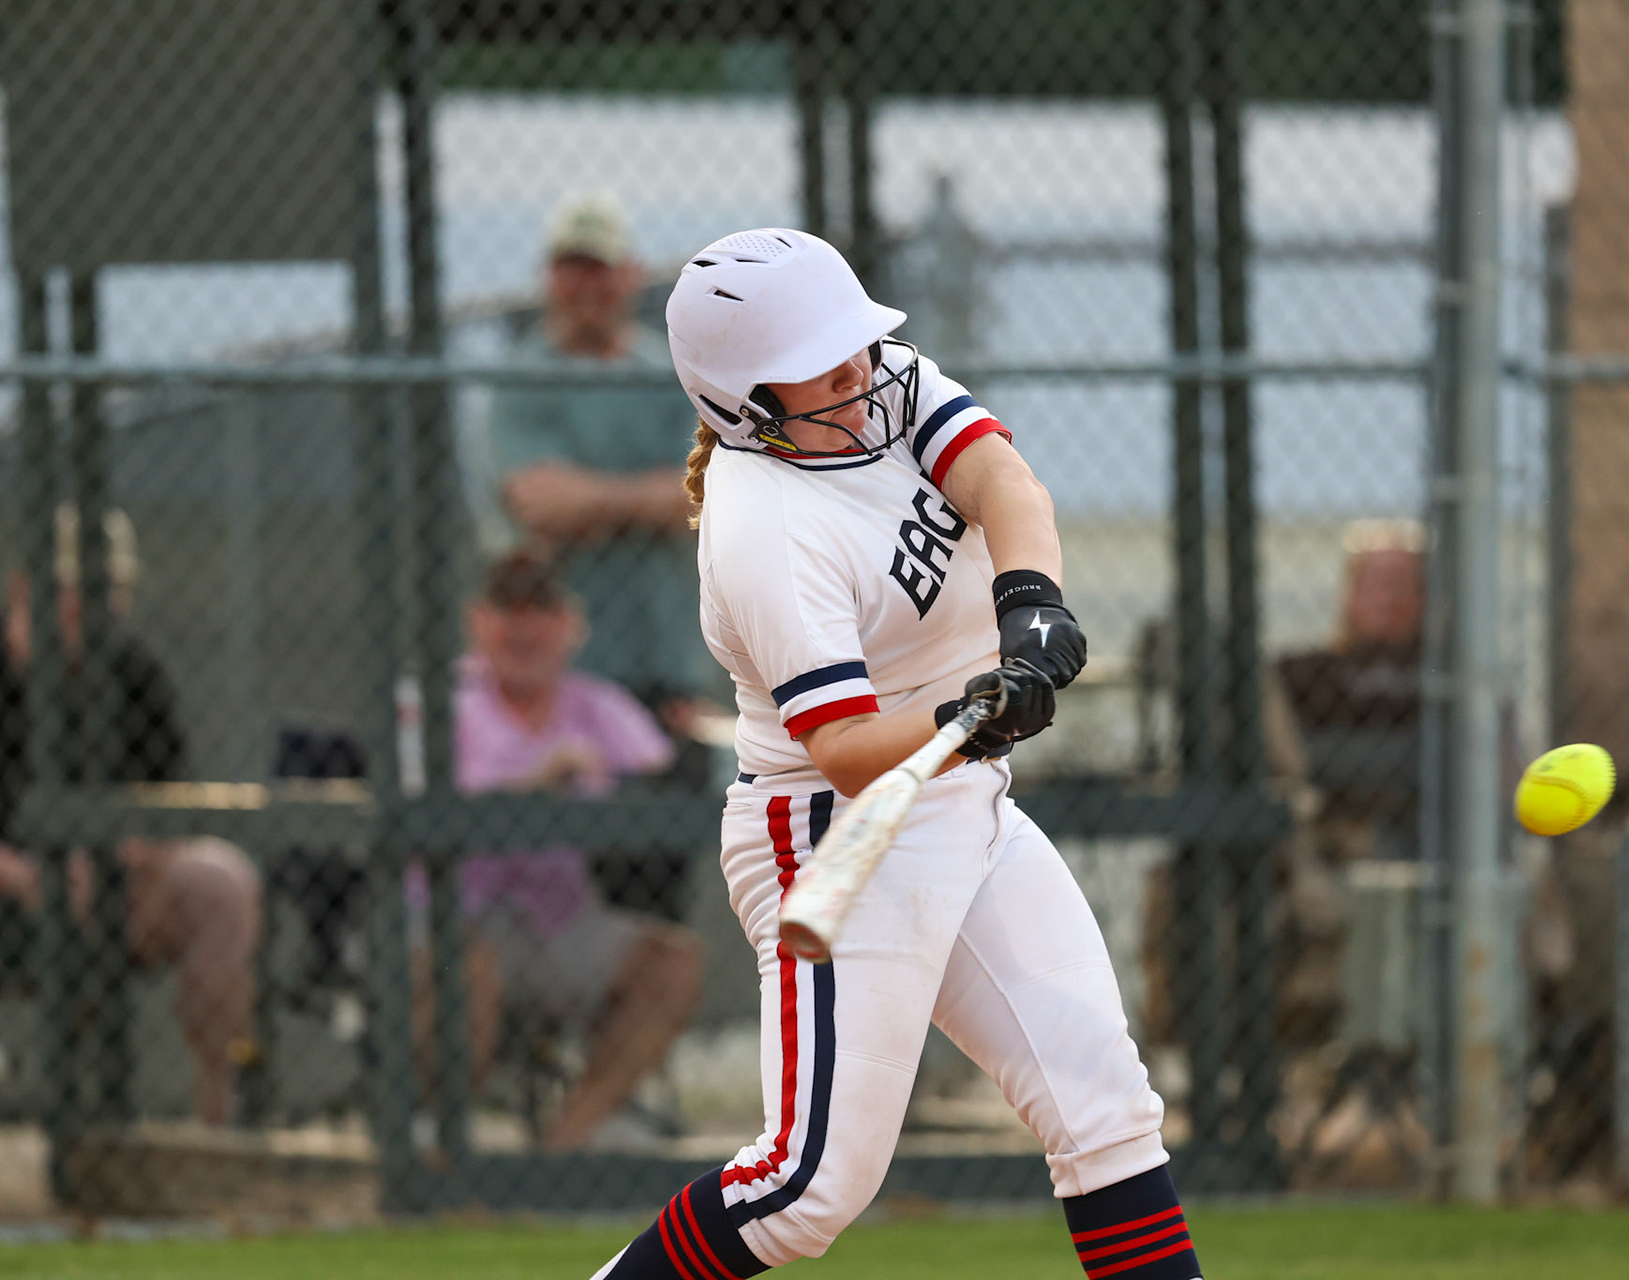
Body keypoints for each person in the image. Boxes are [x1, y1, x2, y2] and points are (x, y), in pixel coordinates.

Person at [588, 230, 1201, 1279]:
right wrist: (978, 711)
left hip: (961, 797)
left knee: (1106, 1107)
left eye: (856, 353)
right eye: (825, 373)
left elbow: (1006, 484)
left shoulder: (876, 380)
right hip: (835, 832)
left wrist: (1029, 604)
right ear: (748, 405)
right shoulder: (765, 530)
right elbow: (848, 749)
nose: (861, 379)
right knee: (805, 1186)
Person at [0, 504, 262, 1126]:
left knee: (222, 880)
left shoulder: (134, 675)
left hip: (107, 896)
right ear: (23, 588)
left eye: (110, 591)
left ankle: (223, 1126)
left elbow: (170, 813)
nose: (97, 609)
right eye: (76, 591)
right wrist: (10, 871)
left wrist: (111, 857)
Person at [411, 547, 704, 1151]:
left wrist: (687, 745)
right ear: (476, 621)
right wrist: (538, 780)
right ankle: (446, 1150)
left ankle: (565, 1148)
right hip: (449, 917)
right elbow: (428, 807)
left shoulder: (598, 705)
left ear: (572, 625)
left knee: (671, 963)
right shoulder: (433, 705)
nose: (523, 626)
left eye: (540, 608)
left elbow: (662, 775)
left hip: (559, 919)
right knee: (469, 966)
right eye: (506, 608)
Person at [492, 194, 718, 923]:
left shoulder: (671, 373)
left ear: (630, 277)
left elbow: (700, 499)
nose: (586, 286)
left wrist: (587, 501)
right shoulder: (521, 379)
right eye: (571, 269)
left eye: (601, 269)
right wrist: (641, 501)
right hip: (562, 684)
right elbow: (534, 503)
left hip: (665, 669)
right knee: (559, 895)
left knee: (656, 903)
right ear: (548, 279)